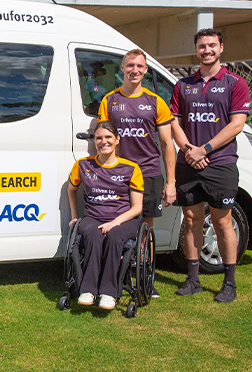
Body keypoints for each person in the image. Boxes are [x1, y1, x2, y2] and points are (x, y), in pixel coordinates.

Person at [170, 28, 250, 303]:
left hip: (220, 163)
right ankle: (193, 280)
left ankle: (229, 283)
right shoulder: (183, 85)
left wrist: (204, 149)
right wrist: (188, 150)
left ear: (221, 48)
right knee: (191, 219)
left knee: (222, 221)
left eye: (212, 45)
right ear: (196, 50)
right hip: (188, 162)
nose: (207, 50)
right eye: (202, 46)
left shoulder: (235, 83)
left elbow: (237, 124)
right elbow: (174, 123)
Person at [97, 49, 176, 298]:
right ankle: (117, 278)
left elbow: (166, 144)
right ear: (122, 68)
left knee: (145, 229)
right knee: (118, 228)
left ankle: (145, 279)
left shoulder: (156, 102)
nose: (135, 70)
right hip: (119, 174)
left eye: (140, 66)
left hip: (150, 173)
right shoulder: (109, 101)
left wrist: (171, 182)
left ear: (145, 70)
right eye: (130, 65)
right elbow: (103, 140)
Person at [67, 121, 144, 310]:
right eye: (99, 138)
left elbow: (137, 207)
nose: (103, 142)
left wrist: (115, 222)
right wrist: (75, 216)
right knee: (93, 234)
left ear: (117, 140)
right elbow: (71, 189)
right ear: (94, 141)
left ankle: (109, 293)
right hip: (93, 218)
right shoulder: (83, 165)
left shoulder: (131, 168)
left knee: (115, 235)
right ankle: (88, 290)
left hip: (124, 219)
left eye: (108, 137)